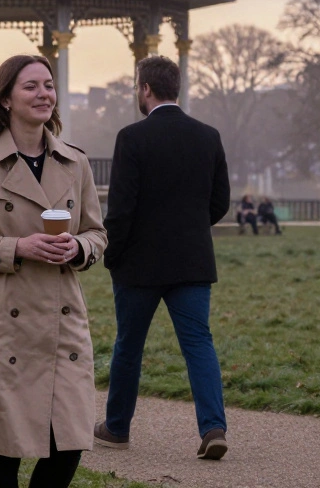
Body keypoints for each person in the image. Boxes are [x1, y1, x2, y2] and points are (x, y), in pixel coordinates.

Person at [0, 54, 106, 488]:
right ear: (7, 99)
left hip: (61, 322)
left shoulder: (76, 163)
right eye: (31, 86)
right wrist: (19, 248)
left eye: (48, 85)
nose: (43, 94)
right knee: (2, 448)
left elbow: (96, 233)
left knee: (70, 442)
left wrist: (78, 247)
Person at [98, 54, 232, 461]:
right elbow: (220, 202)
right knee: (198, 345)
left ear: (145, 89)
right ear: (177, 88)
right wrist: (190, 228)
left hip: (138, 264)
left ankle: (117, 427)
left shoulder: (131, 138)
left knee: (129, 346)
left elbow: (121, 209)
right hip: (192, 261)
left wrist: (112, 254)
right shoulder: (208, 136)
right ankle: (213, 427)